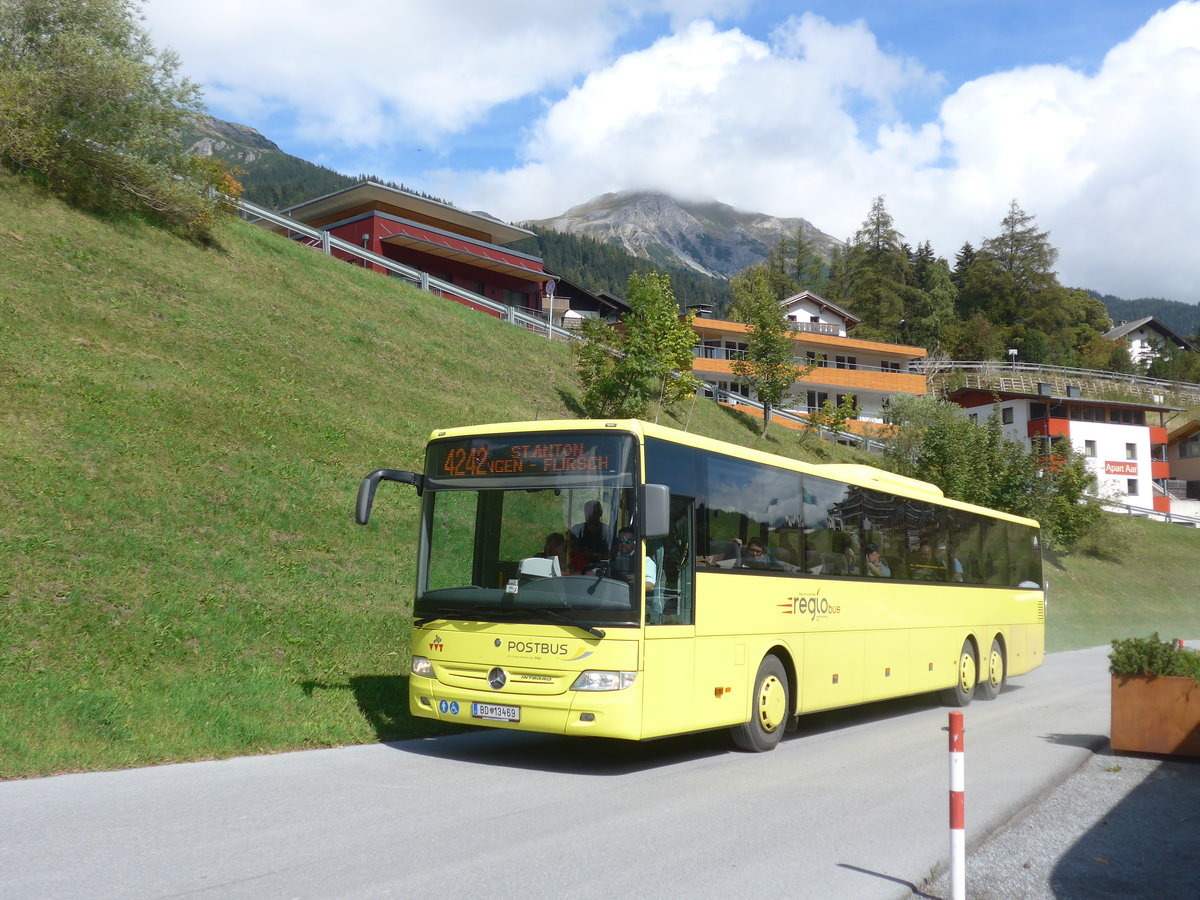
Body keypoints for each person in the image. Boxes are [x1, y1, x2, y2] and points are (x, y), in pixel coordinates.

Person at [610, 527, 656, 592]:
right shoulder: (614, 557)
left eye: (627, 541)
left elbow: (650, 585)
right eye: (621, 540)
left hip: (633, 599)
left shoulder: (644, 560)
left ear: (635, 543)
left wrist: (638, 582)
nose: (623, 544)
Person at [569, 500, 608, 572]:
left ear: (600, 513)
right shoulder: (576, 530)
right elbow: (568, 550)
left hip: (603, 572)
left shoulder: (608, 532)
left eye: (593, 511)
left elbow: (614, 553)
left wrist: (594, 555)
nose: (590, 514)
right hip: (577, 570)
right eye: (587, 511)